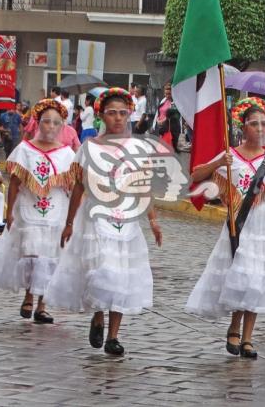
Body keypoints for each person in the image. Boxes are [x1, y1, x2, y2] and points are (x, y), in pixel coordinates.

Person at [45, 88, 165, 356]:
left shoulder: (138, 148)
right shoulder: (90, 147)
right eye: (112, 113)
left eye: (123, 113)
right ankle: (98, 314)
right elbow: (78, 186)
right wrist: (69, 222)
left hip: (127, 217)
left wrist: (153, 221)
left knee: (121, 274)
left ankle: (113, 335)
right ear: (101, 116)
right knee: (103, 270)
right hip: (95, 217)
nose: (118, 118)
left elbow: (143, 187)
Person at [186, 97, 265, 360]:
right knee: (242, 276)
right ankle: (234, 327)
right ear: (243, 127)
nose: (259, 128)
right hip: (240, 225)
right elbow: (196, 176)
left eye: (264, 124)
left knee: (257, 280)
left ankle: (247, 336)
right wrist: (216, 164)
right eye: (253, 123)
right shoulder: (230, 157)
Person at [0, 99, 75, 323]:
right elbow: (14, 182)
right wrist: (9, 211)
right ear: (37, 123)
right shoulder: (24, 149)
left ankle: (42, 304)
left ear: (61, 126)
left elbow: (74, 186)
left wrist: (73, 218)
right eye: (46, 122)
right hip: (28, 206)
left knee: (50, 254)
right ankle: (27, 295)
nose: (50, 127)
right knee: (30, 252)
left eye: (56, 123)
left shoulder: (66, 154)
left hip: (56, 208)